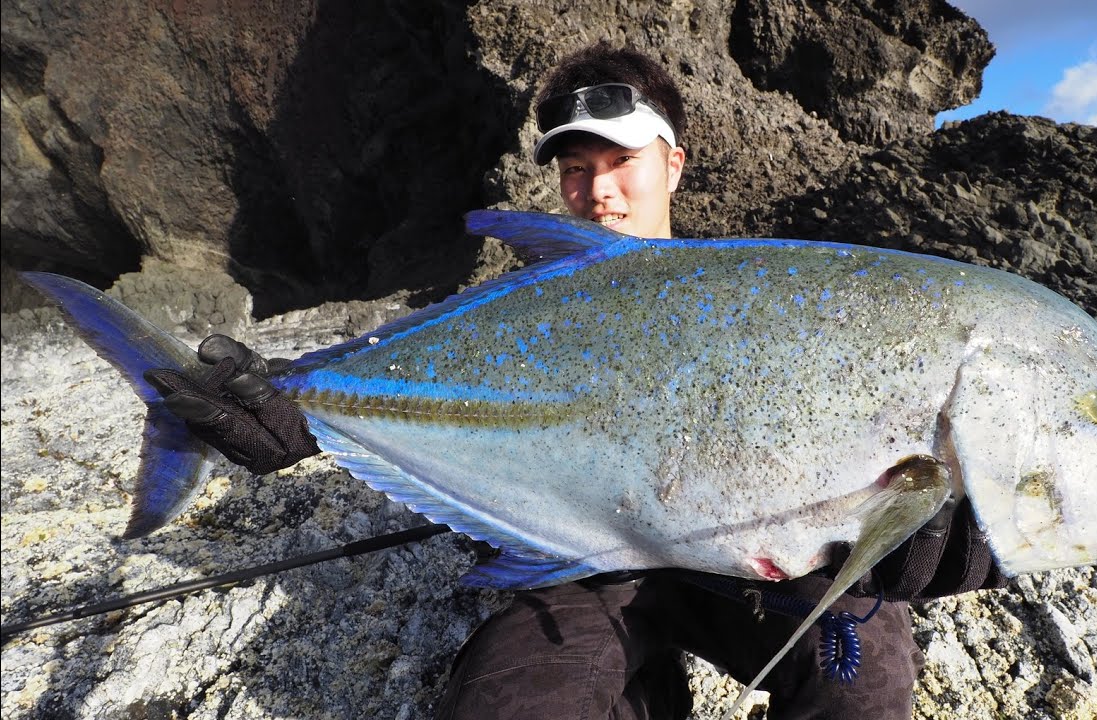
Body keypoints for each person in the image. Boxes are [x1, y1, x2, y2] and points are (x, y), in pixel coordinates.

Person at [146, 42, 1006, 719]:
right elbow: (426, 393)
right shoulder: (512, 317)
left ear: (674, 163)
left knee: (866, 673)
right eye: (575, 170)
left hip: (756, 564)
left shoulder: (771, 298)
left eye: (621, 160)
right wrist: (301, 415)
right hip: (579, 565)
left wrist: (935, 515)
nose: (597, 191)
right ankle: (647, 695)